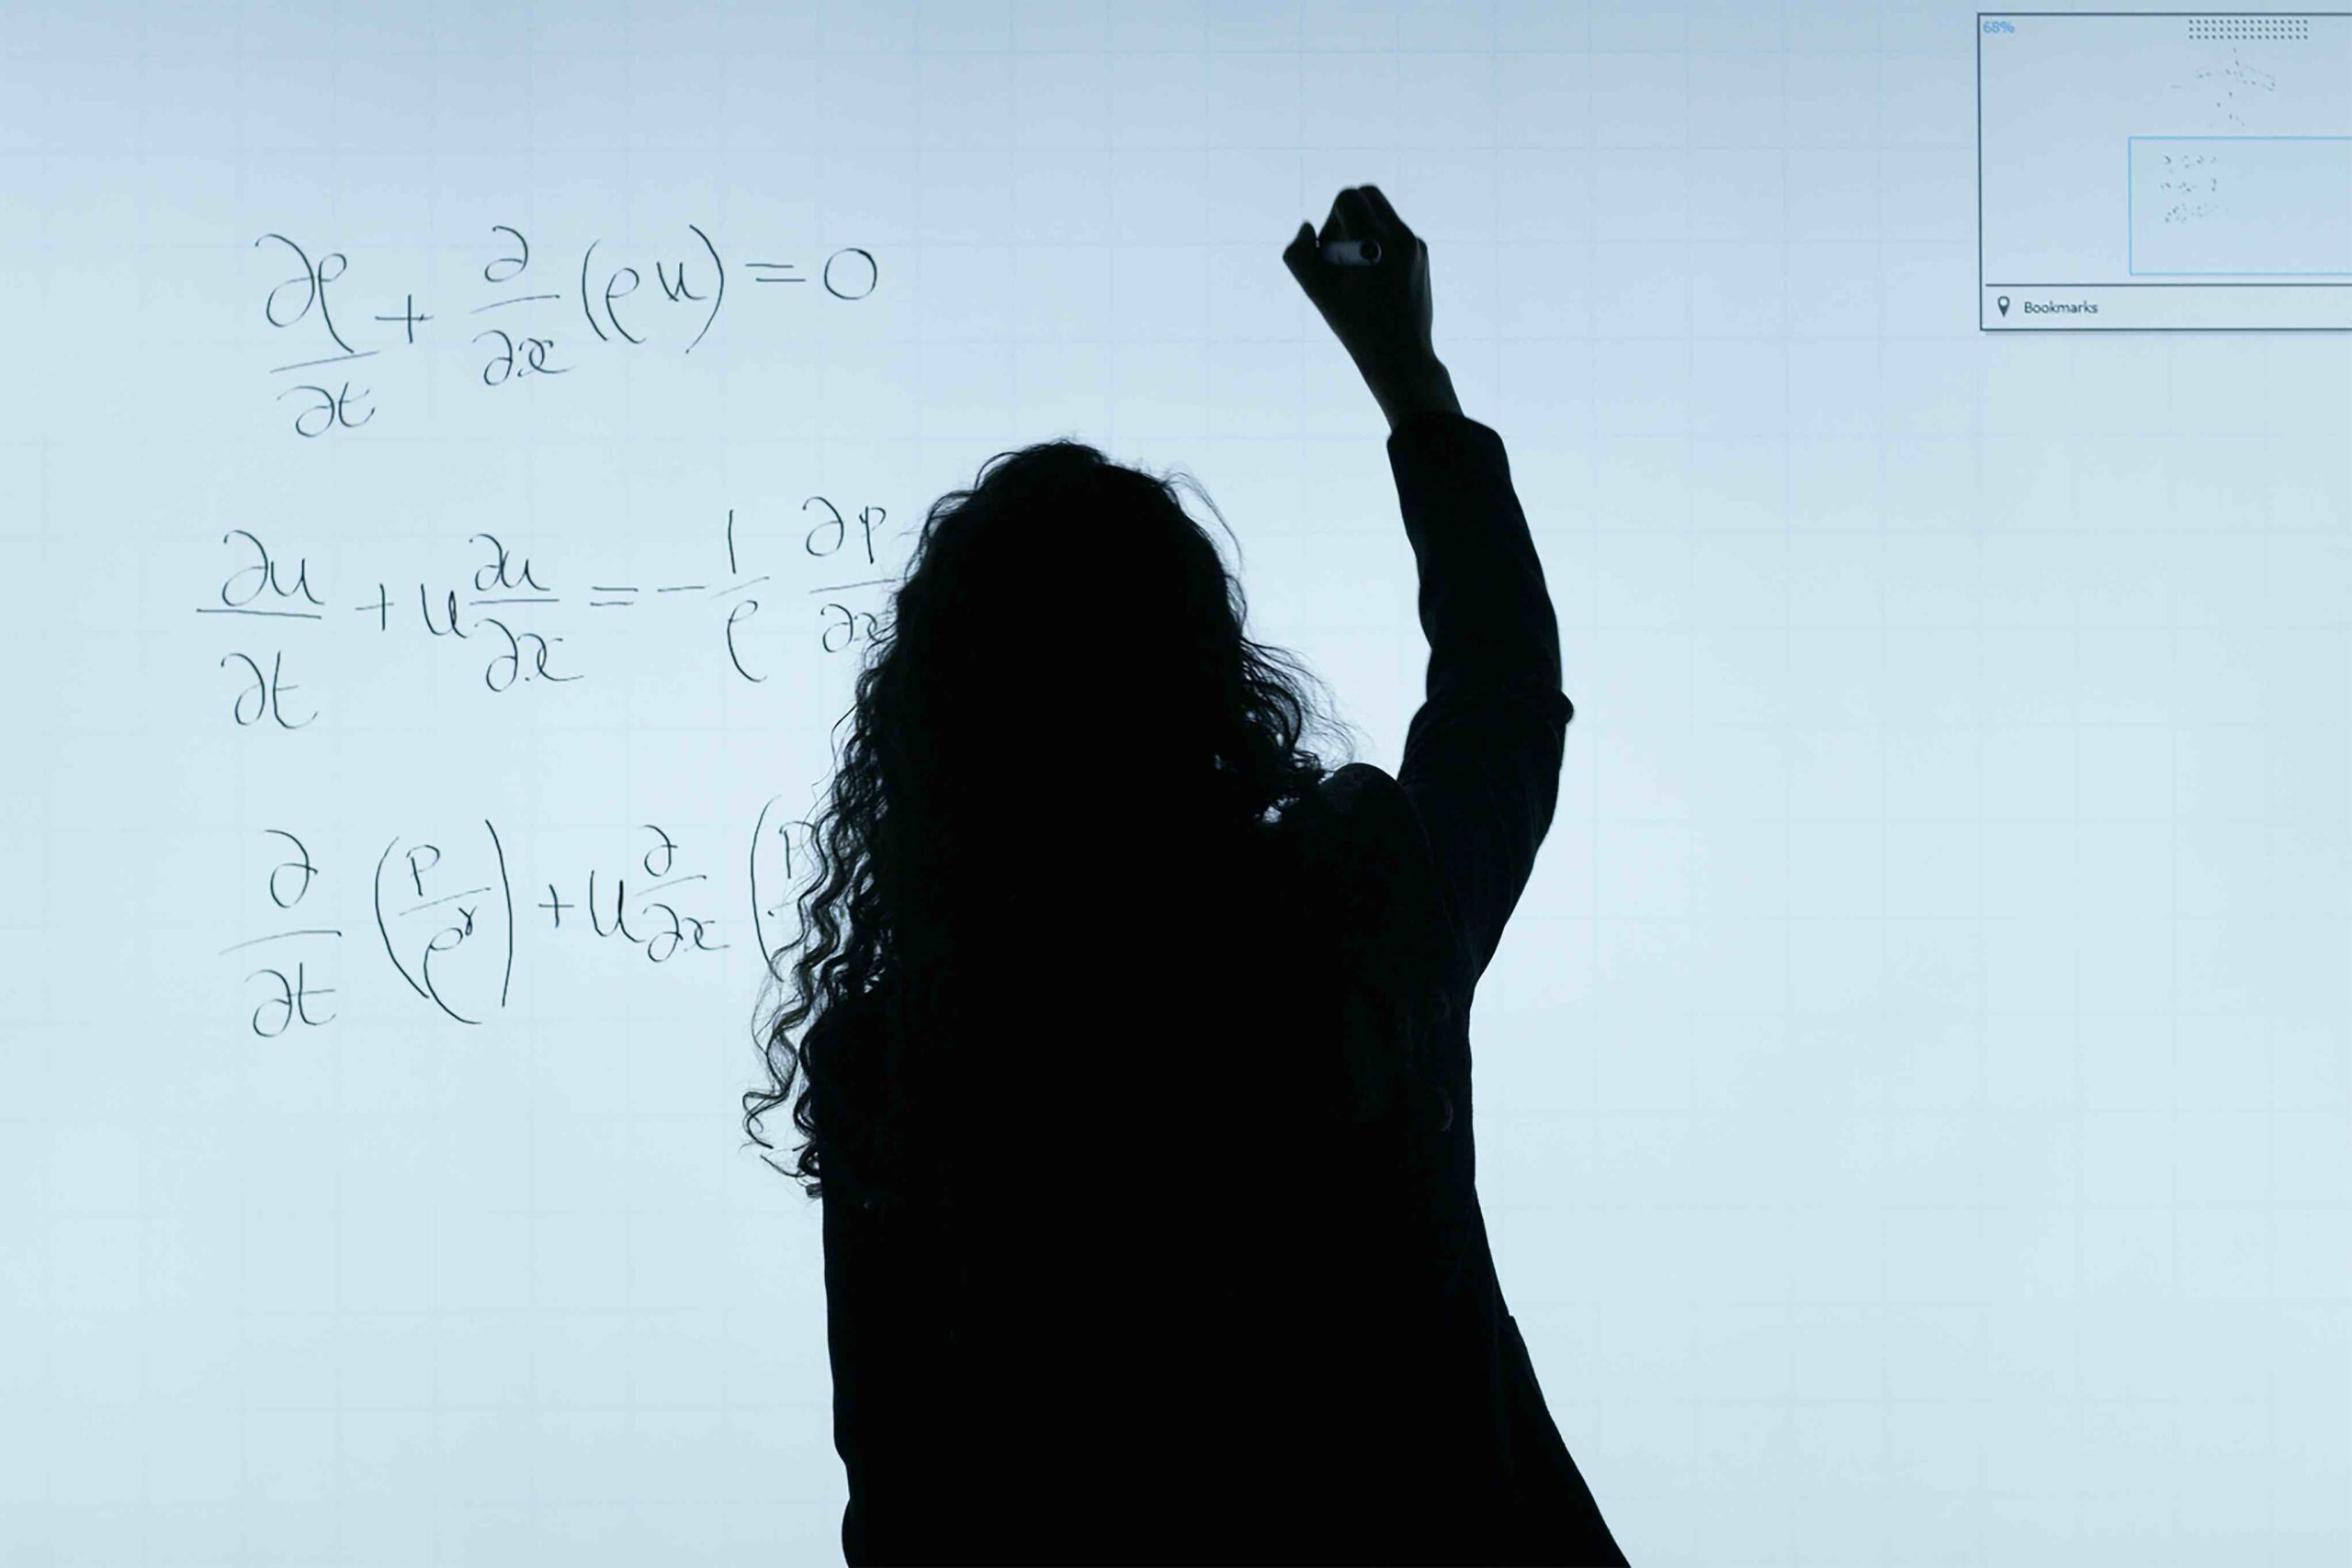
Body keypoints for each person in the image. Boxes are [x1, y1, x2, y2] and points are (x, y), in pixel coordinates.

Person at [743, 186, 1629, 1566]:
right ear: (1211, 688)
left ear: (934, 737)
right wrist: (1410, 380)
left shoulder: (903, 1070)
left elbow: (907, 1508)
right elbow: (1503, 701)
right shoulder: (1353, 915)